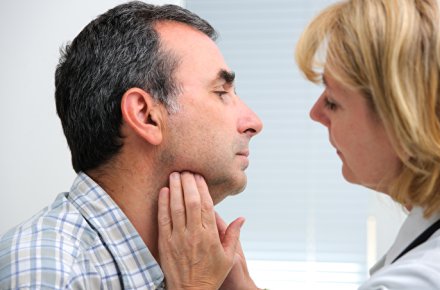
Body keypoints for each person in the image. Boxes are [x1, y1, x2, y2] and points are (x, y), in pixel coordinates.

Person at [157, 0, 440, 289]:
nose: (315, 113)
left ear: (408, 122)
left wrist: (194, 287)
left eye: (334, 102)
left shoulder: (429, 279)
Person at [0, 1, 263, 289]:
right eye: (221, 92)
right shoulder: (50, 271)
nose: (254, 122)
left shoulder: (195, 263)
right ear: (145, 115)